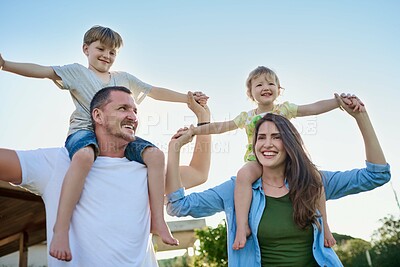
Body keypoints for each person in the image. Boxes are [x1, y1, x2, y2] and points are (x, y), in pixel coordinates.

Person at [0, 25, 208, 260]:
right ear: (85, 49)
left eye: (112, 52)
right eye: (101, 49)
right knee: (85, 156)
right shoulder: (77, 73)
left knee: (156, 155)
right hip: (83, 135)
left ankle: (158, 222)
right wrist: (6, 64)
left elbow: (154, 91)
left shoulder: (122, 79)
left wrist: (187, 99)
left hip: (118, 140)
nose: (106, 56)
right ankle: (61, 228)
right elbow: (44, 71)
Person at [166, 94, 391, 266]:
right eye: (261, 138)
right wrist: (174, 150)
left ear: (290, 143)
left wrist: (361, 117)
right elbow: (178, 206)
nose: (267, 144)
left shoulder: (313, 181)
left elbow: (377, 175)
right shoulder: (238, 189)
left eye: (277, 137)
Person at [191, 66, 362, 249]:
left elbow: (313, 108)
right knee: (243, 176)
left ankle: (325, 227)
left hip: (288, 158)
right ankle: (242, 227)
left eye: (271, 83)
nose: (266, 87)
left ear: (278, 90)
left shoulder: (285, 110)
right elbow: (220, 127)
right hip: (257, 161)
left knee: (316, 177)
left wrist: (338, 102)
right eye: (259, 84)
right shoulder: (247, 117)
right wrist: (194, 131)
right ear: (250, 93)